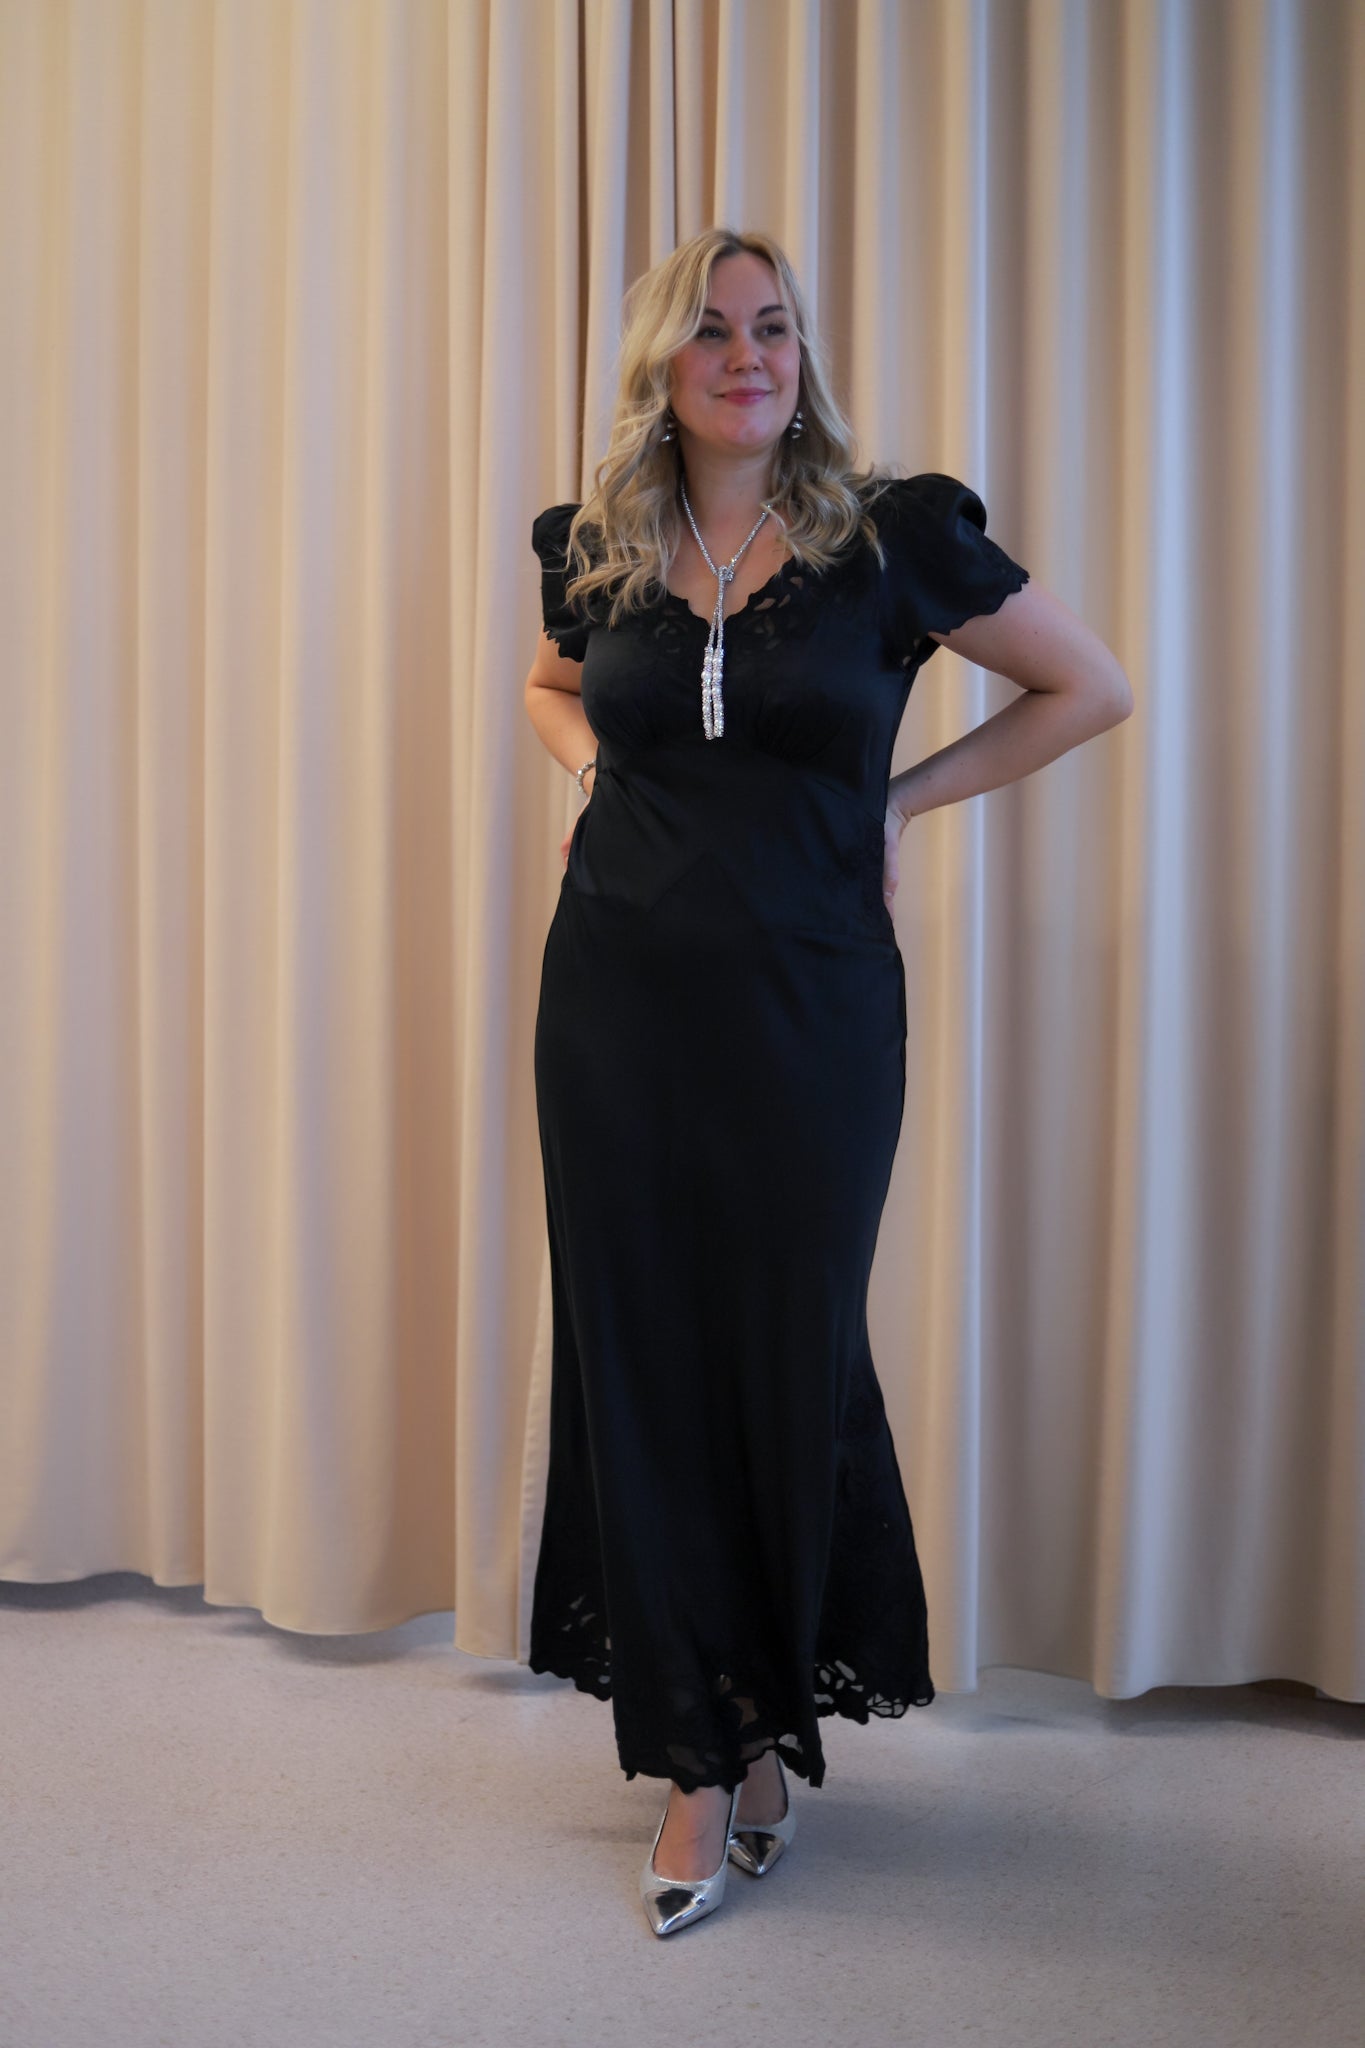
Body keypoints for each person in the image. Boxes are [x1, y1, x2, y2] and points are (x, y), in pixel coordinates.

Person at [523, 226, 1132, 1938]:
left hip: (810, 1011)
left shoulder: (889, 536)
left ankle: (758, 1714)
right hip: (615, 1006)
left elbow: (1088, 688)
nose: (748, 356)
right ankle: (703, 1758)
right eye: (713, 331)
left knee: (782, 1351)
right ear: (660, 364)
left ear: (801, 356)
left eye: (773, 328)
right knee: (642, 1362)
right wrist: (592, 775)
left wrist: (899, 801)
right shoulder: (595, 543)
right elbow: (553, 686)